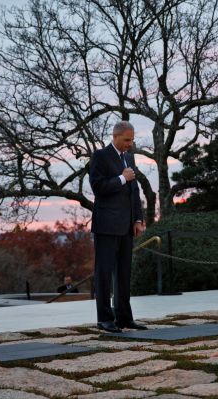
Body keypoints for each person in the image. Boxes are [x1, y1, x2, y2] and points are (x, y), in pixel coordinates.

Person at [89, 121, 147, 333]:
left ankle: (124, 317)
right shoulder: (100, 156)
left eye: (131, 140)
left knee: (124, 274)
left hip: (126, 227)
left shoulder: (129, 158)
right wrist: (122, 178)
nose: (130, 144)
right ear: (115, 136)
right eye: (126, 140)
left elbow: (135, 192)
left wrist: (138, 220)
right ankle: (104, 319)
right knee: (104, 273)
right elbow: (98, 187)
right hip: (106, 225)